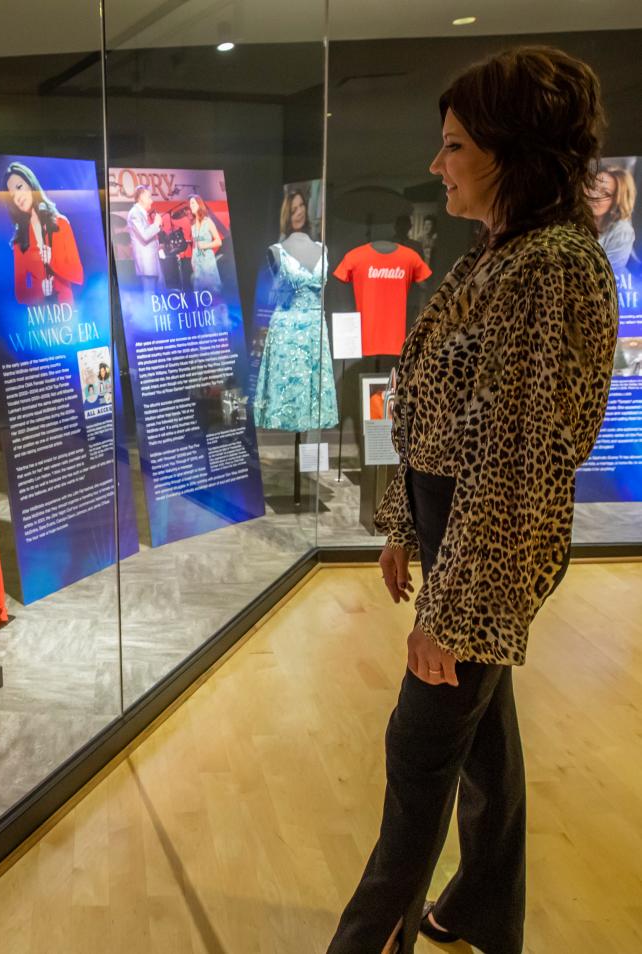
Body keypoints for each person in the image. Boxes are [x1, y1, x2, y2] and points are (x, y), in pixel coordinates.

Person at [328, 47, 618, 954]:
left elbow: (519, 462)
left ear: (509, 151)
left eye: (452, 146)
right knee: (484, 742)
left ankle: (370, 938)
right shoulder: (497, 256)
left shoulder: (552, 269)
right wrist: (407, 524)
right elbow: (440, 410)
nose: (435, 164)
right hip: (459, 528)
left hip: (491, 541)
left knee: (420, 752)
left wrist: (453, 611)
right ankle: (487, 908)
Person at [5, 162, 84, 305]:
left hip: (67, 313)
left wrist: (52, 260)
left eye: (19, 187)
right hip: (40, 317)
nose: (17, 197)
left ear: (31, 184)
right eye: (12, 195)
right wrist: (38, 290)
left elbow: (78, 275)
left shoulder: (61, 223)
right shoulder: (19, 241)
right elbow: (20, 294)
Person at [589, 164, 636, 272]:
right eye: (593, 187)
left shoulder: (622, 231)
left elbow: (609, 274)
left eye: (605, 193)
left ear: (617, 201)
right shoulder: (579, 218)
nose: (594, 195)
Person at [127, 185, 164, 292]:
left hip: (151, 264)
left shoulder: (141, 214)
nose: (151, 201)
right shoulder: (135, 213)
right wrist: (156, 224)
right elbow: (144, 235)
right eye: (149, 197)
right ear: (142, 197)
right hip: (146, 266)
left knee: (155, 297)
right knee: (150, 298)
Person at [188, 195, 223, 292]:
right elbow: (195, 245)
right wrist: (192, 259)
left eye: (193, 203)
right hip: (197, 263)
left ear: (199, 204)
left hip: (207, 262)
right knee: (199, 292)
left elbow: (218, 241)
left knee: (212, 291)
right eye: (190, 204)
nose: (191, 205)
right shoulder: (193, 226)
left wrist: (205, 245)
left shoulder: (208, 222)